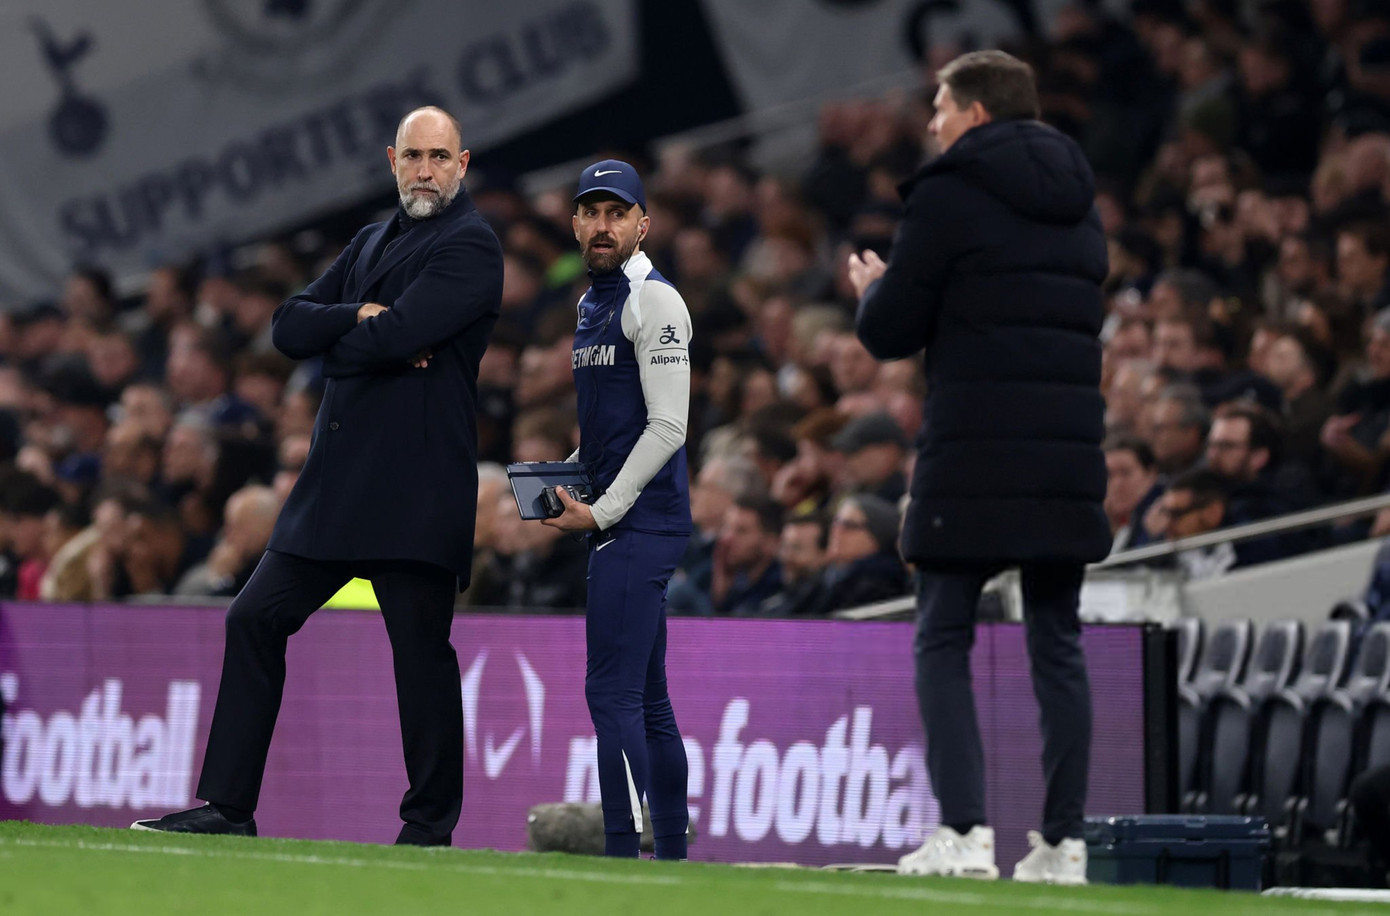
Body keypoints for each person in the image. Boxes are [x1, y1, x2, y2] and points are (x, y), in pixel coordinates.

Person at [132, 106, 503, 846]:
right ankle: (229, 808)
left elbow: (395, 333)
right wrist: (358, 320)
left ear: (461, 166)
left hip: (415, 488)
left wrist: (350, 337)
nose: (425, 170)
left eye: (439, 157)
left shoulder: (471, 244)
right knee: (253, 619)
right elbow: (286, 326)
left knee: (420, 655)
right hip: (334, 490)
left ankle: (428, 828)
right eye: (413, 156)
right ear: (391, 160)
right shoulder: (369, 240)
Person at [848, 50, 1109, 885]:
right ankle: (1064, 846)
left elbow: (891, 330)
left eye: (941, 107)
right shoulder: (1080, 202)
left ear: (977, 114)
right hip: (1066, 451)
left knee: (942, 633)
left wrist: (873, 288)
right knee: (1057, 641)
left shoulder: (949, 192)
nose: (931, 123)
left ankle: (963, 835)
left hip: (973, 449)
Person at [537, 159, 694, 858]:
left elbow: (668, 426)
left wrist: (602, 511)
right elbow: (614, 426)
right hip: (627, 519)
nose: (603, 226)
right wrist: (568, 473)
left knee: (611, 695)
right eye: (591, 213)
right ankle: (674, 856)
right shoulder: (592, 303)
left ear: (642, 224)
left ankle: (625, 852)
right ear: (575, 224)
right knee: (647, 698)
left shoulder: (653, 302)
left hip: (642, 523)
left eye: (617, 213)